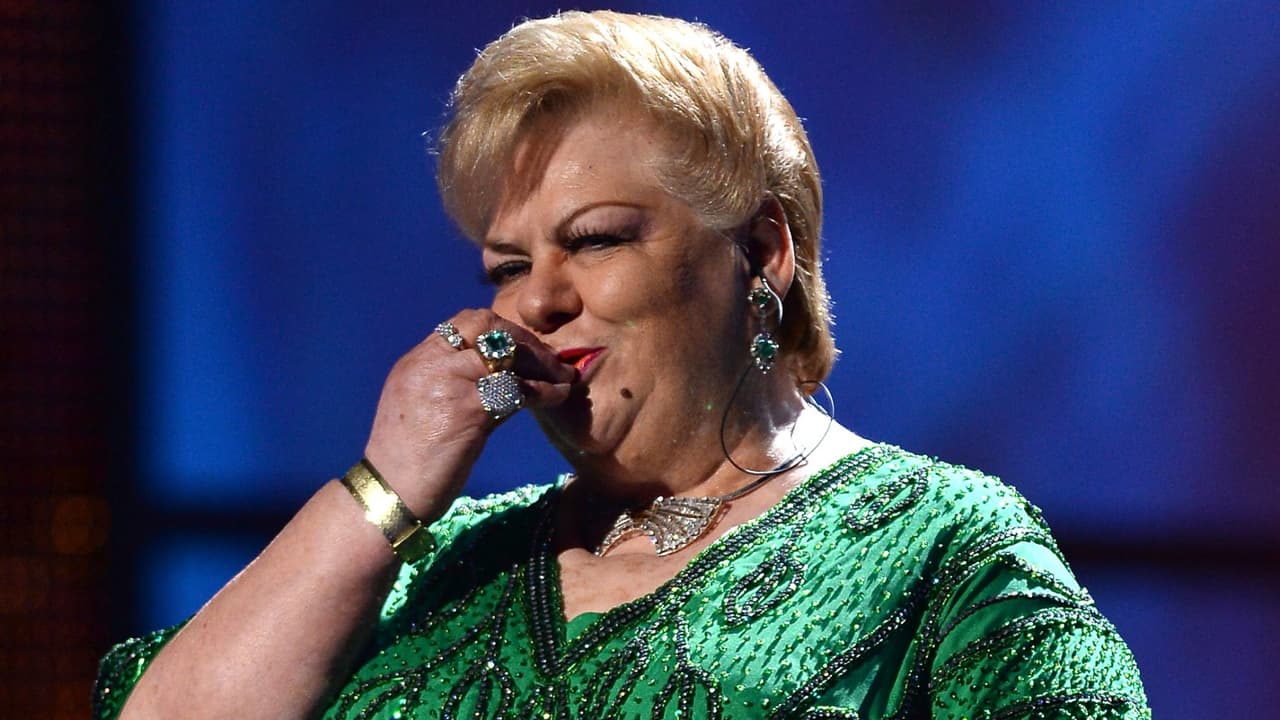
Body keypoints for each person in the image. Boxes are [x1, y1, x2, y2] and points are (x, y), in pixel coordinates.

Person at [96, 10, 1149, 720]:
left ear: (761, 253)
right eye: (508, 265)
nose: (536, 299)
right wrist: (383, 491)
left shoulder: (946, 546)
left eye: (594, 239)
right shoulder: (430, 563)